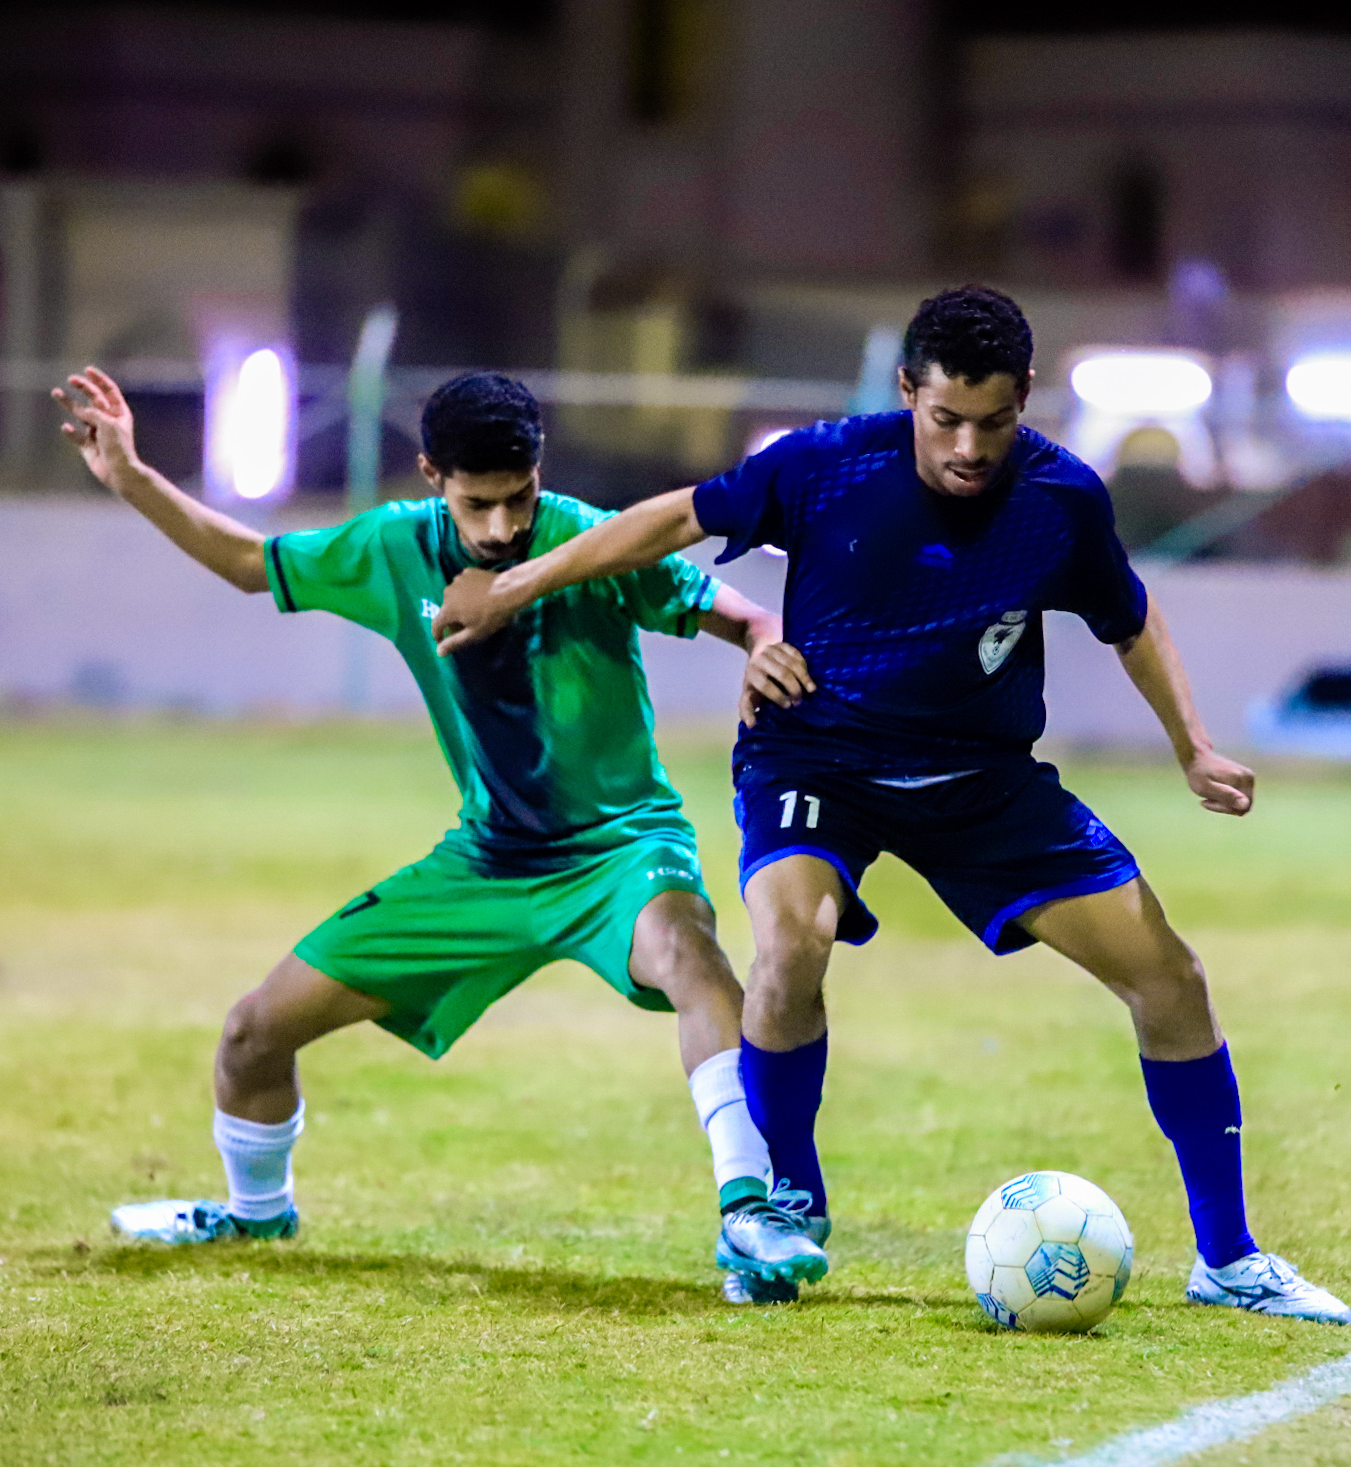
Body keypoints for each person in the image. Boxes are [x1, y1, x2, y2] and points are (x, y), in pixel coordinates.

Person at [431, 286, 1351, 1324]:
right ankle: (783, 1208)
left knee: (1170, 979)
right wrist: (514, 586)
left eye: (993, 422)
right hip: (816, 757)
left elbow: (1130, 622)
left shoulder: (1061, 498)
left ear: (1025, 398)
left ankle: (1229, 1257)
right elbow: (674, 518)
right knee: (791, 942)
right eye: (946, 418)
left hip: (982, 778)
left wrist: (1193, 747)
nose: (968, 447)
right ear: (908, 389)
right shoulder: (825, 464)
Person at [50, 365, 827, 1300]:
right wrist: (133, 477)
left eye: (519, 498)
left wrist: (764, 648)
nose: (501, 528)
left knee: (693, 960)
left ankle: (750, 1212)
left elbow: (744, 615)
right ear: (431, 476)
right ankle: (257, 1212)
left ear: (540, 472)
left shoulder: (589, 542)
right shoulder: (393, 548)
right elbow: (252, 564)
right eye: (477, 504)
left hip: (621, 849)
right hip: (486, 862)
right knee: (253, 1033)